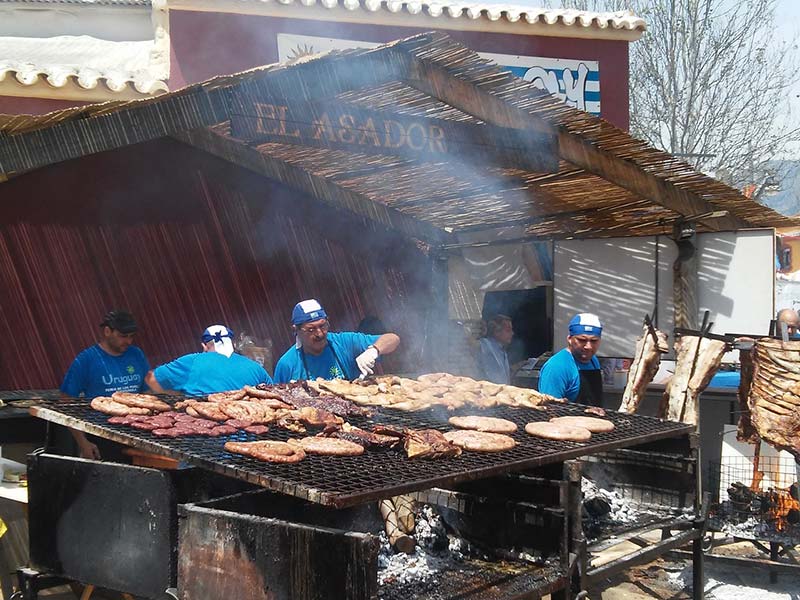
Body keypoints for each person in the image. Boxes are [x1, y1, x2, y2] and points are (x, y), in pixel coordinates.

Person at [60, 309, 150, 459]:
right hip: (100, 436)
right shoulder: (86, 359)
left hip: (136, 433)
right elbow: (66, 401)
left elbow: (146, 393)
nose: (128, 341)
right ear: (107, 331)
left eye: (131, 337)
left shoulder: (136, 354)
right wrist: (83, 442)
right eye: (123, 336)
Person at [274, 299, 400, 382]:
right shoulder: (287, 364)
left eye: (323, 326)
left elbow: (393, 338)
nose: (319, 333)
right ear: (296, 330)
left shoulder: (345, 342)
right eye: (311, 329)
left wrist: (374, 350)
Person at [145, 324, 271, 395]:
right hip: (248, 437)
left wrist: (177, 394)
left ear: (204, 346)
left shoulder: (192, 361)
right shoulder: (256, 368)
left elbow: (151, 379)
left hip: (201, 437)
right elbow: (273, 394)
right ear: (233, 345)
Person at [538, 313, 603, 406]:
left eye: (594, 341)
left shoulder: (593, 361)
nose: (588, 346)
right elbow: (549, 409)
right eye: (582, 340)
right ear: (569, 339)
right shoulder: (557, 367)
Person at [476, 314, 514, 384]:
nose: (512, 333)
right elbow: (470, 343)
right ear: (497, 332)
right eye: (508, 330)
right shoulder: (486, 344)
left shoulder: (502, 350)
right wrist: (479, 331)